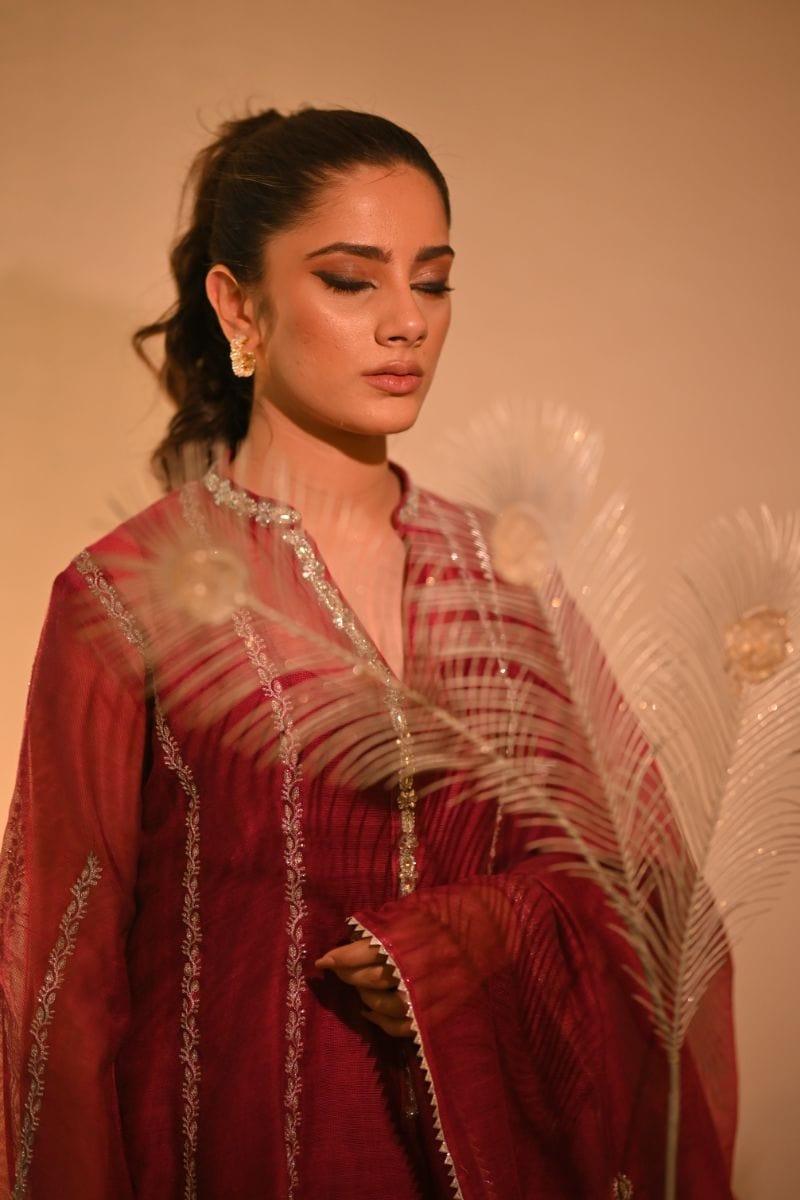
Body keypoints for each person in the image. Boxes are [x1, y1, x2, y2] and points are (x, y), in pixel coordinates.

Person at [0, 105, 737, 1199]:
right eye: (352, 281)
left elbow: (646, 892)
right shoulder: (128, 595)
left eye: (432, 283)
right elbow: (61, 982)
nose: (406, 324)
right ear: (237, 305)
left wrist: (473, 939)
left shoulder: (507, 582)